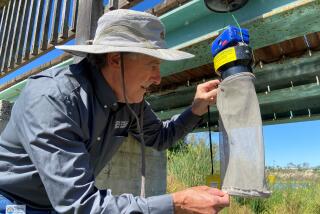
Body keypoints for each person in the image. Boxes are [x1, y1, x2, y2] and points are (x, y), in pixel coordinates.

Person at [0, 9, 229, 214]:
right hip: (12, 202)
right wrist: (176, 203)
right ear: (115, 59)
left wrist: (196, 108)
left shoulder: (130, 102)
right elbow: (82, 205)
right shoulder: (52, 99)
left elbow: (160, 137)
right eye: (153, 64)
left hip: (61, 205)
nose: (158, 79)